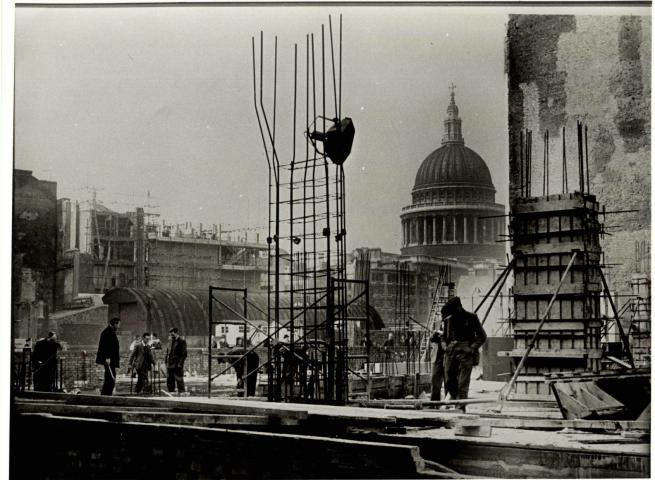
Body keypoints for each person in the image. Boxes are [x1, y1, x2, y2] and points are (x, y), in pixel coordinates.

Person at [441, 296, 487, 402]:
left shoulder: (471, 317)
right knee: (449, 381)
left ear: (458, 308)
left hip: (466, 353)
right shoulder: (449, 320)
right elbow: (444, 337)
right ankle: (456, 399)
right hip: (451, 352)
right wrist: (445, 347)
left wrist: (471, 348)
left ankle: (461, 407)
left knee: (463, 383)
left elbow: (482, 336)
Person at [96, 317, 121, 396]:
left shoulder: (110, 331)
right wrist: (107, 357)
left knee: (110, 377)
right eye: (118, 324)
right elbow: (106, 346)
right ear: (115, 323)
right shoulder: (107, 332)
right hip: (109, 359)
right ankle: (106, 394)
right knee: (110, 377)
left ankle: (107, 393)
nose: (119, 326)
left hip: (111, 359)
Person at [166, 327, 187, 395]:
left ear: (176, 333)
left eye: (172, 334)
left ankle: (181, 391)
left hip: (177, 363)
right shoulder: (171, 341)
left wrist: (180, 363)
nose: (171, 335)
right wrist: (166, 361)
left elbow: (184, 354)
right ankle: (171, 391)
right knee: (170, 378)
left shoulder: (182, 341)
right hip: (170, 363)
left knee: (179, 377)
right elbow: (168, 351)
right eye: (170, 334)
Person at [429, 329, 445, 401]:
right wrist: (436, 334)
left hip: (447, 357)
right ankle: (434, 402)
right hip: (437, 359)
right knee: (435, 379)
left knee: (448, 382)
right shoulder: (439, 330)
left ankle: (450, 403)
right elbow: (431, 339)